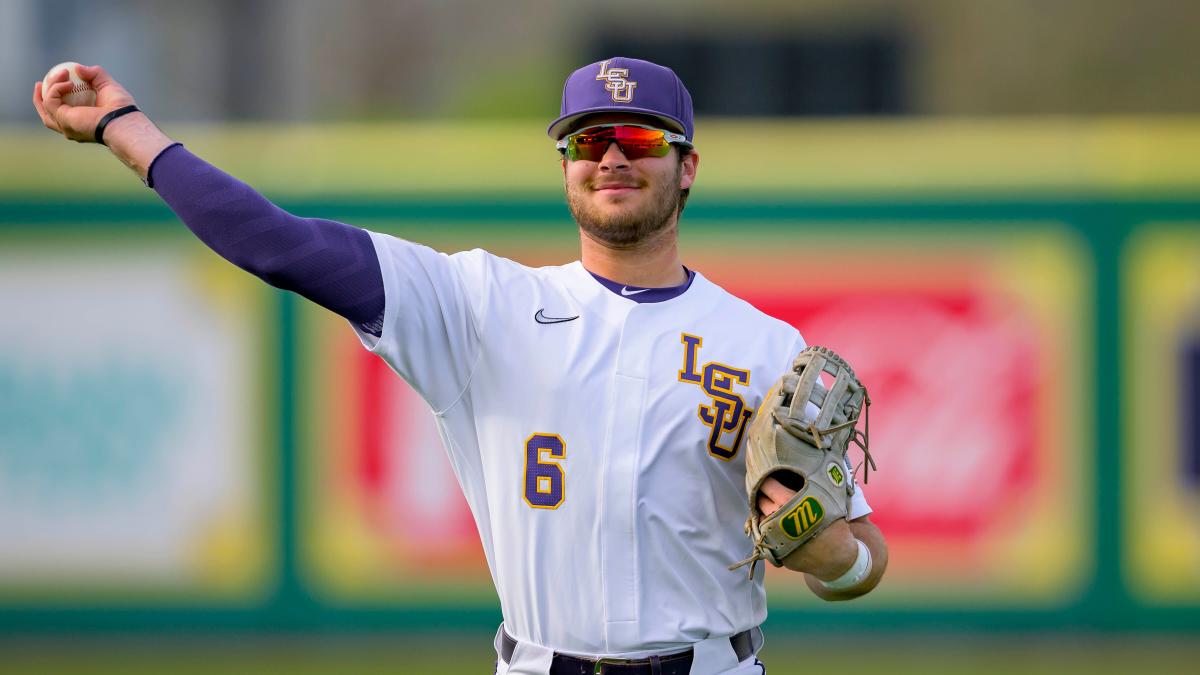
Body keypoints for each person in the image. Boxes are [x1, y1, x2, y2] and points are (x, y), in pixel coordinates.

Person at [34, 56, 887, 675]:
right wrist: (126, 129)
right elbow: (275, 243)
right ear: (565, 168)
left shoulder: (766, 347)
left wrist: (834, 558)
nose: (611, 157)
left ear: (687, 166)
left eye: (638, 137)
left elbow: (865, 557)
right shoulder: (479, 304)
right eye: (586, 140)